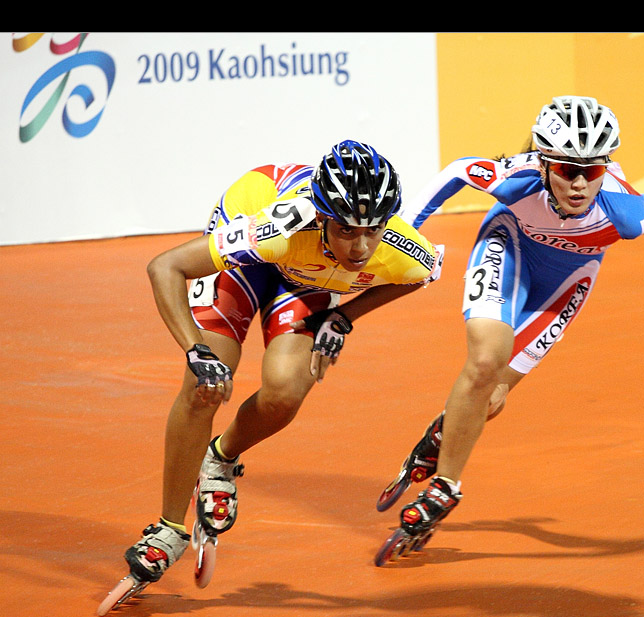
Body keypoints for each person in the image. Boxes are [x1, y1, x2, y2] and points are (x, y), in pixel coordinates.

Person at [117, 140, 443, 588]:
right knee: (207, 384)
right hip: (252, 253)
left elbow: (421, 276)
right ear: (323, 216)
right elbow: (165, 267)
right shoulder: (275, 229)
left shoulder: (403, 248)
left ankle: (220, 459)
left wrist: (344, 317)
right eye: (347, 230)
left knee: (286, 393)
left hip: (306, 273)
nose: (361, 246)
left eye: (373, 230)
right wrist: (195, 351)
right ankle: (168, 528)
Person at [374, 96, 644, 559]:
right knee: (486, 360)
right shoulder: (517, 180)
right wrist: (402, 233)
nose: (580, 183)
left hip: (567, 281)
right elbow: (456, 172)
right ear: (544, 163)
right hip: (508, 248)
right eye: (567, 169)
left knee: (492, 396)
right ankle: (445, 486)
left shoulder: (627, 215)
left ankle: (442, 435)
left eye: (592, 170)